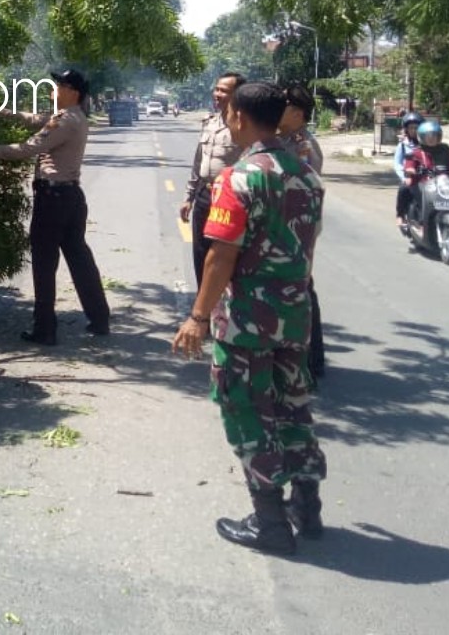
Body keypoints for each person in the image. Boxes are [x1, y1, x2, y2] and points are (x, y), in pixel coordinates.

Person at [171, 81, 326, 554]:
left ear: (238, 117)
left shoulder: (238, 178)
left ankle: (270, 523)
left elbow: (221, 256)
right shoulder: (306, 174)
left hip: (248, 321)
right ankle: (307, 505)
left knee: (247, 411)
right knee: (293, 404)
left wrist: (198, 317)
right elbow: (308, 248)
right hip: (293, 315)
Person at [0, 67, 110, 344]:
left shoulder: (65, 121)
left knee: (44, 264)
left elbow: (27, 148)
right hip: (70, 198)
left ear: (73, 93)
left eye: (59, 85)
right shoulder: (72, 117)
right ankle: (100, 318)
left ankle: (45, 329)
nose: (53, 89)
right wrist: (2, 112)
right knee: (79, 258)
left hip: (53, 200)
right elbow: (36, 120)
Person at [180, 73, 245, 289]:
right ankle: (204, 312)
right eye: (216, 89)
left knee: (224, 257)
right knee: (201, 254)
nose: (217, 94)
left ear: (238, 94)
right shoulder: (209, 122)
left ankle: (224, 313)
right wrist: (189, 196)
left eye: (224, 91)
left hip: (229, 199)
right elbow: (199, 161)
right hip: (205, 196)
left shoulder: (243, 126)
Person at [279, 84, 326, 379]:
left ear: (297, 113)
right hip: (284, 224)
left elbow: (300, 187)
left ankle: (312, 359)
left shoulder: (302, 144)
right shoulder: (283, 138)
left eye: (283, 105)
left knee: (301, 288)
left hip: (294, 226)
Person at [394, 111, 423, 230]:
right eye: (411, 128)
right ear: (407, 129)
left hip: (426, 176)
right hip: (410, 176)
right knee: (403, 189)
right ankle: (400, 215)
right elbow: (397, 163)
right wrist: (404, 176)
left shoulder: (427, 143)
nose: (414, 130)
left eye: (416, 128)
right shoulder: (402, 145)